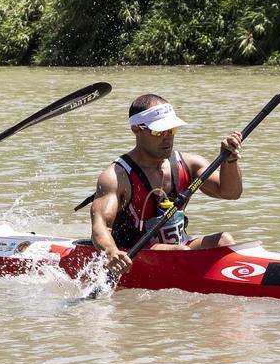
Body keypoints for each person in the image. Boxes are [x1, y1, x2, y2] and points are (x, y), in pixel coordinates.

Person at [91, 93, 243, 276]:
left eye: (172, 130)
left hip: (179, 247)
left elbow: (230, 192)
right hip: (132, 254)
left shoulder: (189, 164)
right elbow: (100, 227)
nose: (168, 138)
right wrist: (111, 252)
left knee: (224, 240)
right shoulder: (116, 176)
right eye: (160, 132)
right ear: (136, 130)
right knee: (182, 252)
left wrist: (230, 161)